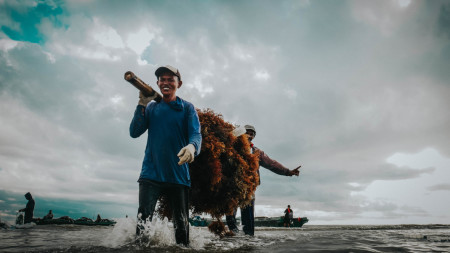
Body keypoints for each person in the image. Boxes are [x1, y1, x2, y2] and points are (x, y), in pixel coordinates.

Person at [130, 65, 202, 246]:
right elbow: (134, 131)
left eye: (171, 79)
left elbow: (196, 133)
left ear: (179, 83)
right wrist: (141, 104)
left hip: (177, 174)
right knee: (143, 221)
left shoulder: (186, 108)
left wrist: (192, 147)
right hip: (150, 173)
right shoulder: (152, 107)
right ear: (157, 83)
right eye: (162, 79)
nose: (166, 82)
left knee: (181, 224)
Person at [226, 125, 300, 236]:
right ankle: (233, 234)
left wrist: (288, 172)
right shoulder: (233, 147)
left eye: (252, 134)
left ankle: (248, 238)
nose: (249, 135)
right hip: (232, 185)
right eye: (247, 132)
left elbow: (272, 164)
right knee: (230, 213)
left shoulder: (257, 152)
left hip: (248, 187)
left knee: (248, 216)